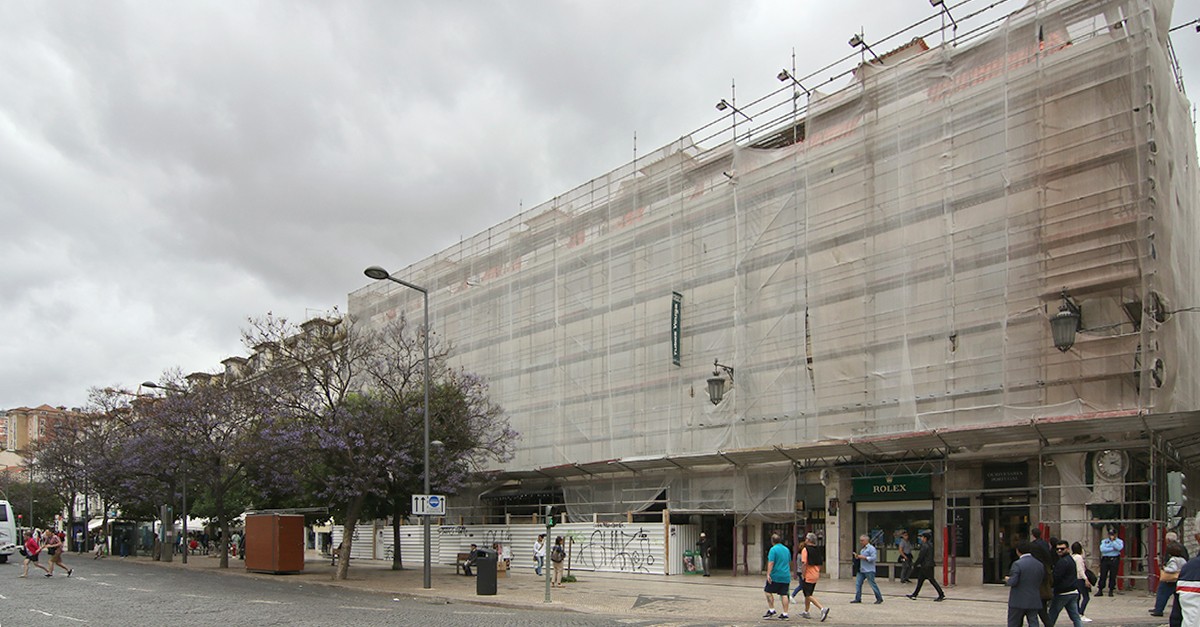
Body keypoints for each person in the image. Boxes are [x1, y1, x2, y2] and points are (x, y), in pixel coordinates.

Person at [792, 532, 829, 621]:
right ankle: (806, 611)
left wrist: (803, 574)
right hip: (815, 574)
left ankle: (822, 609)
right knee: (808, 593)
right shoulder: (817, 549)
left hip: (808, 574)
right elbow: (820, 562)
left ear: (808, 540)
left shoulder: (805, 549)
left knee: (808, 595)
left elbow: (804, 563)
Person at [1047, 540, 1083, 627]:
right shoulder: (1070, 560)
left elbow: (1056, 577)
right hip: (1073, 591)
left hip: (1063, 593)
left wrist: (1051, 585)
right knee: (1075, 617)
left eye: (1062, 549)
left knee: (1052, 616)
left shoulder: (1063, 562)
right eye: (1057, 549)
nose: (1059, 551)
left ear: (1067, 549)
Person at [906, 530, 945, 602]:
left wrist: (915, 564)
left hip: (926, 566)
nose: (921, 539)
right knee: (920, 580)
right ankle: (914, 594)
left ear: (925, 538)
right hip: (928, 565)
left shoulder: (924, 546)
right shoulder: (930, 545)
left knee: (932, 580)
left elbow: (921, 557)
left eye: (922, 537)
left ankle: (941, 594)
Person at [1151, 541, 1186, 617]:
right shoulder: (1183, 560)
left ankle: (1158, 610)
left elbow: (1173, 569)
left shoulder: (1173, 559)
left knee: (1162, 594)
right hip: (1178, 579)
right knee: (1178, 597)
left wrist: (1165, 568)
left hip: (1169, 580)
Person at [762, 533, 791, 620]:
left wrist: (768, 574)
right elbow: (789, 561)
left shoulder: (773, 550)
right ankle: (785, 613)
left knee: (767, 591)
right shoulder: (786, 549)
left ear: (772, 541)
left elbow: (771, 562)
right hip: (785, 575)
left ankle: (772, 609)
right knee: (784, 594)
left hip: (775, 575)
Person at [851, 534, 883, 604]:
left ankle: (879, 598)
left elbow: (873, 558)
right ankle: (858, 598)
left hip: (869, 570)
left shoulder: (871, 548)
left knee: (872, 584)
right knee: (858, 584)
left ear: (866, 541)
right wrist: (857, 557)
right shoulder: (863, 549)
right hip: (861, 569)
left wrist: (864, 557)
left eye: (862, 540)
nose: (861, 542)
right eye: (860, 540)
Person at [1097, 527, 1123, 597]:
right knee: (1103, 575)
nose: (1111, 535)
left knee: (1113, 575)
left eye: (1113, 534)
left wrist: (1113, 541)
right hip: (1105, 559)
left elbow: (1119, 548)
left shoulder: (1119, 541)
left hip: (1114, 559)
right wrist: (1112, 548)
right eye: (1110, 534)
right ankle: (1100, 589)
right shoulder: (1104, 541)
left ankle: (1111, 590)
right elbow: (1102, 549)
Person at [1070, 542, 1092, 622]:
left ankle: (1078, 612)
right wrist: (1086, 579)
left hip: (1074, 579)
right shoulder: (1079, 558)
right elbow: (1080, 570)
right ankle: (1080, 613)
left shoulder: (1072, 557)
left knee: (1077, 597)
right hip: (1080, 579)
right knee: (1086, 597)